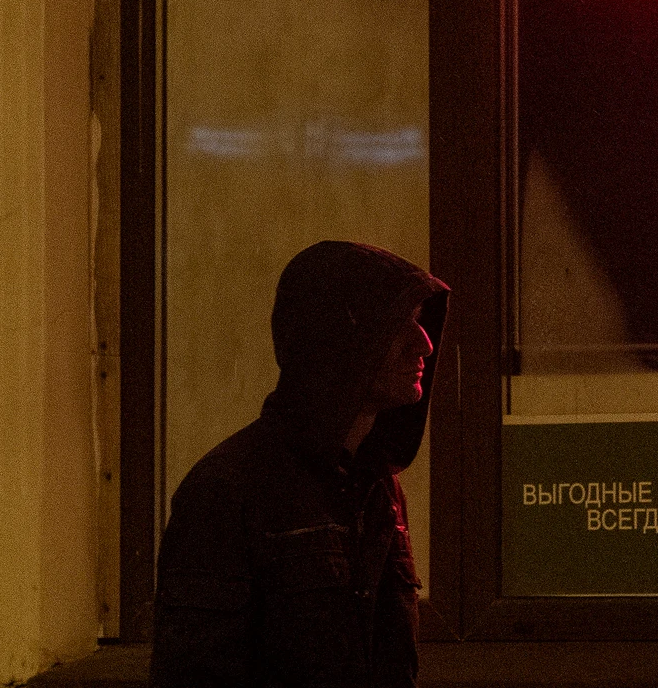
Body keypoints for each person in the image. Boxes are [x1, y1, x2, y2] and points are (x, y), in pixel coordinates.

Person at [151, 241, 448, 687]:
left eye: (421, 322)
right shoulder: (226, 490)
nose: (423, 345)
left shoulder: (376, 486)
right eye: (397, 325)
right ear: (339, 343)